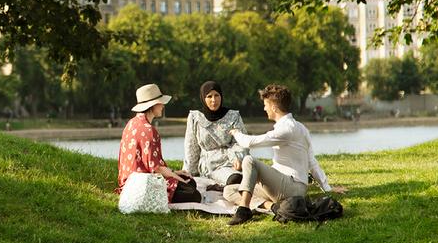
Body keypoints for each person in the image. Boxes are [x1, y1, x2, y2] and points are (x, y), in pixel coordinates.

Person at [224, 84, 346, 226]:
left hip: (292, 187)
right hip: (281, 186)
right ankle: (273, 207)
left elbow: (250, 142)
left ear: (274, 108)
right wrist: (327, 187)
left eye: (265, 105)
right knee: (229, 191)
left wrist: (235, 132)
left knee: (249, 160)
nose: (264, 109)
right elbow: (311, 162)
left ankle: (243, 210)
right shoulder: (300, 127)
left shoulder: (287, 129)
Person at [117, 83, 202, 204]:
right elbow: (157, 169)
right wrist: (179, 179)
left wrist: (175, 173)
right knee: (193, 193)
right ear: (152, 105)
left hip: (130, 182)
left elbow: (149, 164)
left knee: (190, 181)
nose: (163, 105)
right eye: (160, 102)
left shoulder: (131, 123)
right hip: (143, 185)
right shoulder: (148, 130)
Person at [182, 81, 247, 189]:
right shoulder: (195, 117)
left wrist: (238, 158)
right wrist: (190, 173)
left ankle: (220, 186)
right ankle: (217, 185)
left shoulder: (233, 116)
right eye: (209, 96)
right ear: (203, 98)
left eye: (217, 95)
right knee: (234, 179)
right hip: (209, 164)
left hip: (231, 161)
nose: (214, 100)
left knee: (242, 178)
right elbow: (191, 146)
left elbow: (240, 141)